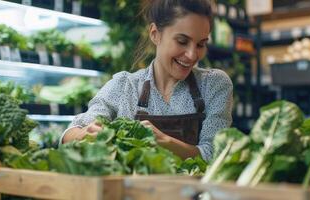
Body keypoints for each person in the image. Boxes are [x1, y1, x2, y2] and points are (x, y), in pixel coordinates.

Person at [60, 0, 233, 162]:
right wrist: (84, 135)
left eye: (200, 44)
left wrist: (164, 142)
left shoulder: (214, 84)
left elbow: (216, 154)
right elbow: (69, 135)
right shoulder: (124, 85)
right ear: (155, 34)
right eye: (182, 41)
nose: (192, 55)